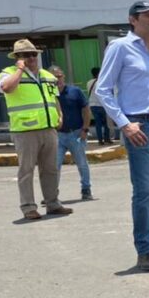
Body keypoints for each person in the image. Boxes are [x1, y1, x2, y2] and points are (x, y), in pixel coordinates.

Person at [95, 0, 149, 272]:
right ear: (133, 20)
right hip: (139, 127)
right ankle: (144, 250)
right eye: (147, 15)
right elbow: (103, 90)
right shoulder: (120, 47)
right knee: (143, 190)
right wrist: (124, 124)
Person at [0, 39, 73, 219]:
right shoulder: (7, 74)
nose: (31, 58)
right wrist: (20, 69)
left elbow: (54, 98)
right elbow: (7, 88)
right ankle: (28, 207)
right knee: (26, 170)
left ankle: (53, 203)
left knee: (50, 169)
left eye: (33, 54)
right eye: (25, 55)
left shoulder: (47, 75)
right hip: (24, 130)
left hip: (48, 128)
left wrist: (60, 115)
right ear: (17, 58)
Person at [51, 66, 92, 201]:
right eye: (54, 77)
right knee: (54, 166)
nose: (57, 79)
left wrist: (85, 129)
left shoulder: (75, 92)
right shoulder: (49, 94)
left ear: (63, 76)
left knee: (81, 164)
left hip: (76, 134)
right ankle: (52, 195)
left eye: (59, 76)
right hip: (57, 136)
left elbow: (86, 109)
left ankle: (86, 189)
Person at [85, 67, 113, 144]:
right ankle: (107, 138)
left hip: (92, 105)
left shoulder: (89, 82)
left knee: (98, 123)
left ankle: (100, 140)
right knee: (106, 123)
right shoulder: (101, 82)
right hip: (101, 105)